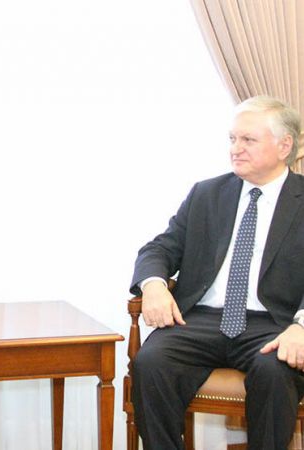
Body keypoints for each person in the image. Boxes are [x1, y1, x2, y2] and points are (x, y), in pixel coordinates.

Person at [130, 95, 304, 450]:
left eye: (248, 140)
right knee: (151, 363)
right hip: (200, 320)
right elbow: (160, 248)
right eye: (232, 139)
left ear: (284, 146)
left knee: (274, 371)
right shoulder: (207, 193)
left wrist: (301, 328)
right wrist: (154, 286)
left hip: (274, 324)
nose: (235, 149)